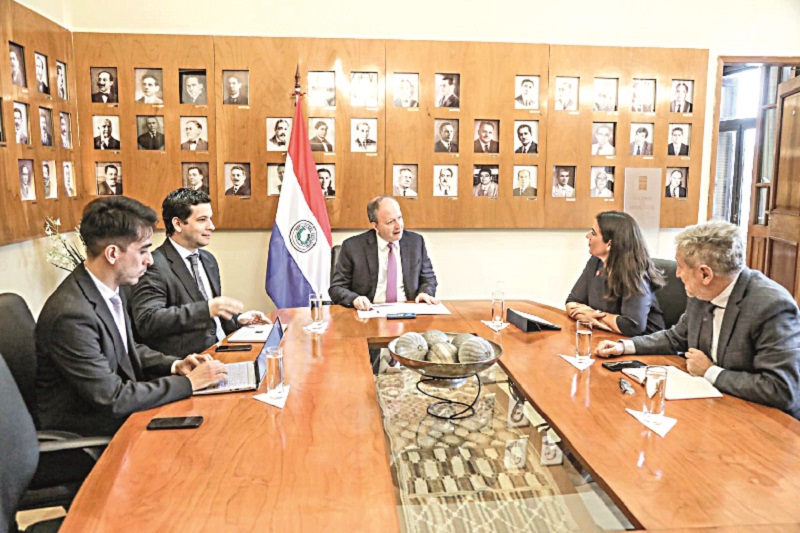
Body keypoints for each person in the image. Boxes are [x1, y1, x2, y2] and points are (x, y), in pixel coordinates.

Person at [35, 196, 228, 436]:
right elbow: (113, 398)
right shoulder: (71, 315)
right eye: (143, 250)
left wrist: (175, 365)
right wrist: (189, 383)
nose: (150, 260)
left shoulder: (107, 290)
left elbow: (125, 350)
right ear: (112, 254)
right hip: (92, 432)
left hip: (122, 413)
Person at [595, 221, 800, 420]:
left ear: (705, 274)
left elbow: (782, 390)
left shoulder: (771, 306)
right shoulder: (703, 292)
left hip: (761, 420)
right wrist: (624, 346)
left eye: (681, 266)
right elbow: (676, 337)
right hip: (711, 405)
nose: (677, 274)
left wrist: (710, 372)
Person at [132, 188, 269, 357]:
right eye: (202, 220)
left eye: (210, 219)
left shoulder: (208, 260)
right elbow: (148, 321)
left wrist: (238, 319)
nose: (211, 226)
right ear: (177, 224)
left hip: (225, 349)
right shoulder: (154, 265)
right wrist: (207, 309)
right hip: (191, 362)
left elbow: (212, 318)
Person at [330, 195, 438, 310]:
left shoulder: (415, 242)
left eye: (400, 218)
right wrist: (354, 299)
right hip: (369, 312)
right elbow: (337, 288)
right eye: (390, 222)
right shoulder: (353, 247)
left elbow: (428, 278)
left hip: (408, 310)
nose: (398, 226)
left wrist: (425, 293)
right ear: (375, 226)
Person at [567, 211, 665, 336]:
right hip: (609, 337)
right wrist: (585, 315)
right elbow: (572, 301)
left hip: (644, 343)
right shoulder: (596, 261)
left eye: (593, 233)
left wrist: (593, 315)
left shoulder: (635, 274)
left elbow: (632, 326)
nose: (588, 236)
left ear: (609, 244)